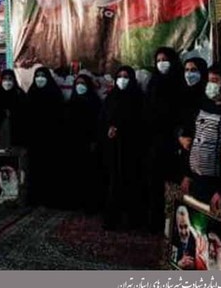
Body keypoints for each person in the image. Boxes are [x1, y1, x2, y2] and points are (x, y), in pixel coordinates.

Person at [180, 62, 221, 208]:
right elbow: (193, 140)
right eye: (209, 80)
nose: (210, 85)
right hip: (197, 181)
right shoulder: (204, 105)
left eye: (215, 81)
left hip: (219, 188)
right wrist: (188, 174)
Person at [100, 65, 147, 230]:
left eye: (126, 76)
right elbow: (103, 118)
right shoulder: (111, 97)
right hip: (113, 148)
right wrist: (109, 128)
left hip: (131, 148)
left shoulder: (138, 98)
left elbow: (141, 122)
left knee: (131, 182)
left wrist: (120, 128)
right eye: (119, 76)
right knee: (113, 182)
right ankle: (112, 218)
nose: (122, 79)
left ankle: (132, 220)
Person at [145, 47, 186, 232]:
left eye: (165, 59)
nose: (161, 63)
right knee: (154, 183)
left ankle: (174, 225)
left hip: (175, 141)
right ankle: (155, 222)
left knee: (173, 183)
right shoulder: (153, 82)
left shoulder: (180, 82)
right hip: (154, 140)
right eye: (158, 60)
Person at [26, 66, 65, 207]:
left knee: (50, 168)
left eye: (43, 76)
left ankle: (50, 198)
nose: (40, 79)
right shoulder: (31, 94)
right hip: (34, 139)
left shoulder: (55, 94)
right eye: (37, 76)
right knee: (34, 169)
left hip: (51, 139)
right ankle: (34, 197)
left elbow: (60, 117)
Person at [65, 73, 103, 212]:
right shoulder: (71, 102)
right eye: (77, 83)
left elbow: (98, 124)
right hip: (74, 144)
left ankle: (90, 204)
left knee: (90, 174)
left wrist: (94, 141)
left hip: (89, 144)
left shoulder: (95, 103)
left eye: (83, 84)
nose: (80, 86)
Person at [0, 69, 29, 148]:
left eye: (10, 79)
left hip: (17, 135)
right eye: (5, 79)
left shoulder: (20, 95)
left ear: (14, 80)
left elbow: (26, 115)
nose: (7, 82)